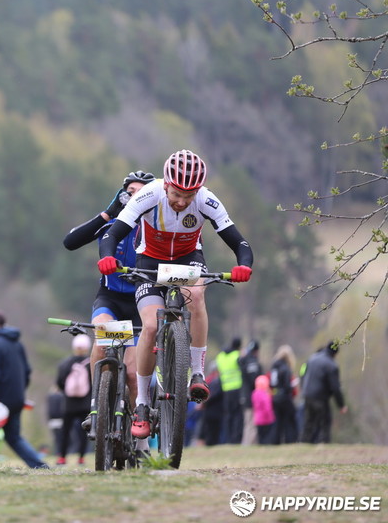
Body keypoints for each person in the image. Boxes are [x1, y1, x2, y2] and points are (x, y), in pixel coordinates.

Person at [96, 150, 254, 441]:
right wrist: (107, 257)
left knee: (196, 293)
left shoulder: (207, 200)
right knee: (151, 326)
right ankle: (142, 404)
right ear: (166, 183)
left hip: (188, 259)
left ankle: (196, 373)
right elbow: (112, 234)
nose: (182, 202)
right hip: (150, 263)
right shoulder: (150, 195)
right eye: (177, 194)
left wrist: (244, 264)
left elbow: (238, 240)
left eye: (189, 195)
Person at [63, 169, 155, 457]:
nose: (134, 196)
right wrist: (107, 213)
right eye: (129, 191)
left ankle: (140, 443)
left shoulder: (156, 227)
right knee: (103, 340)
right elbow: (71, 242)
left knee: (131, 371)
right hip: (111, 299)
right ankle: (96, 407)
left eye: (141, 192)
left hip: (142, 303)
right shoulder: (114, 223)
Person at [0, 311, 49, 469]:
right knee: (13, 437)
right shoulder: (17, 344)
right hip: (16, 399)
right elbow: (27, 371)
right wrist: (19, 392)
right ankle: (39, 466)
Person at [54, 334, 92, 466]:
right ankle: (81, 458)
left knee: (65, 431)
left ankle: (62, 458)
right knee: (84, 431)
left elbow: (59, 382)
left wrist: (66, 391)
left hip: (68, 404)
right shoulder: (91, 363)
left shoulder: (66, 363)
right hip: (85, 403)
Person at [300, 341, 348, 443]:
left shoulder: (312, 358)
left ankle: (303, 443)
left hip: (307, 395)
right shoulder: (331, 365)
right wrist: (341, 405)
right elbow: (335, 387)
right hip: (320, 398)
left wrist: (303, 388)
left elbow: (302, 373)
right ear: (335, 353)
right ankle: (324, 444)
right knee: (325, 422)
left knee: (309, 423)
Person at [216, 336, 244, 444]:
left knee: (228, 416)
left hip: (225, 388)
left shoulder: (220, 356)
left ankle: (227, 439)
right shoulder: (237, 356)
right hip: (237, 388)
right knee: (237, 415)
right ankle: (235, 439)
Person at [269, 344, 298, 444]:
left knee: (277, 421)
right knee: (289, 420)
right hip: (284, 398)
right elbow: (286, 386)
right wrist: (292, 385)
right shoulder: (285, 368)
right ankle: (290, 441)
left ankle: (275, 442)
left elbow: (272, 384)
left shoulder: (274, 367)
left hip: (275, 397)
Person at [239, 339, 263, 446]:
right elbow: (255, 380)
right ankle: (250, 443)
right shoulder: (252, 362)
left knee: (247, 421)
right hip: (252, 396)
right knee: (252, 421)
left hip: (244, 395)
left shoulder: (243, 360)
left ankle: (247, 442)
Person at [251, 374, 275, 445]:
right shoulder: (264, 394)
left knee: (261, 436)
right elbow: (267, 407)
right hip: (266, 419)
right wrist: (271, 416)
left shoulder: (254, 393)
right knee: (267, 436)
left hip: (258, 419)